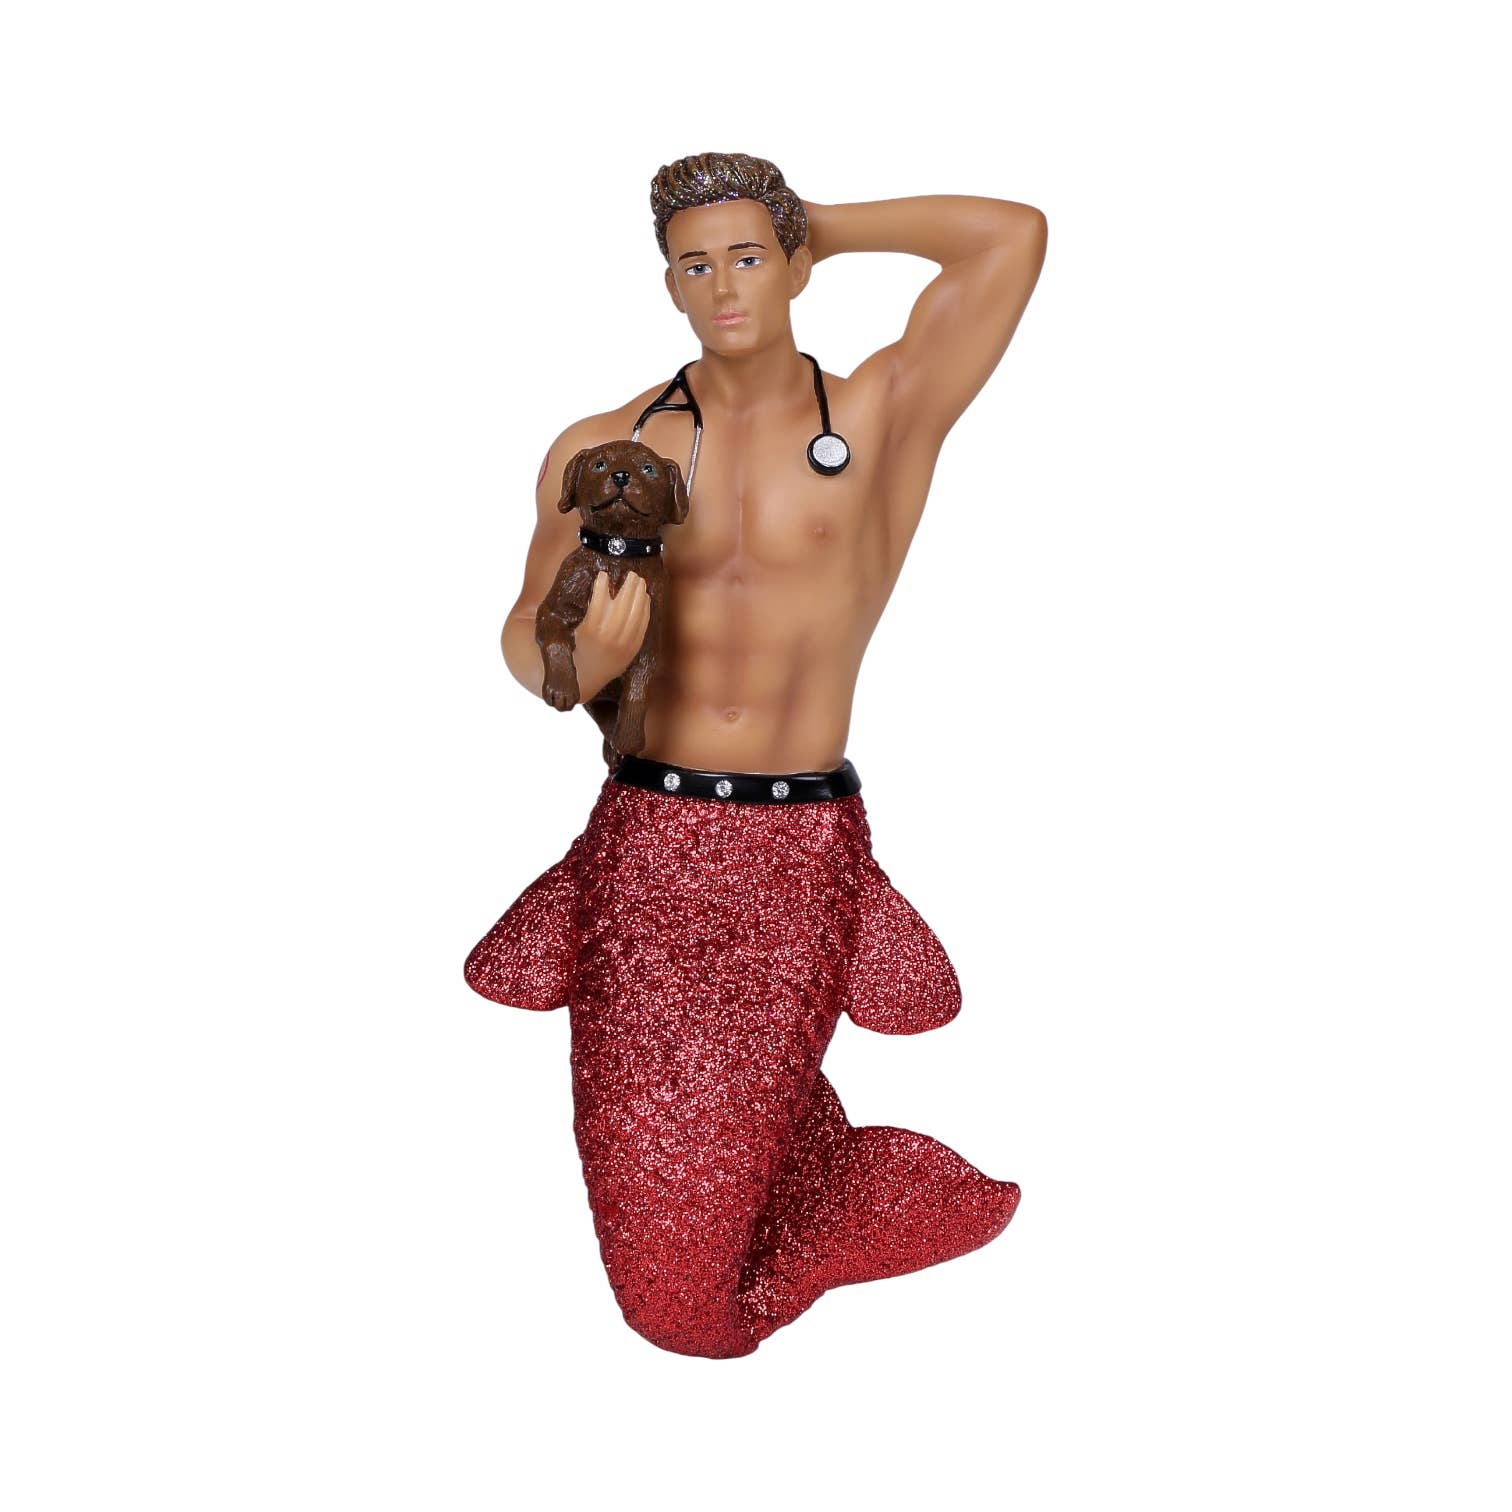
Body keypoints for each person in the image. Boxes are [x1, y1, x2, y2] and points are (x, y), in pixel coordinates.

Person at [465, 151, 1047, 1358]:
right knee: (667, 1298)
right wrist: (571, 662)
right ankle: (818, 1175)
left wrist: (815, 220)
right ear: (666, 285)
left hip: (801, 848)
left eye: (746, 257)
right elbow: (524, 629)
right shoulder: (607, 440)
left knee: (699, 1287)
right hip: (643, 844)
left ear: (791, 268)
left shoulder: (880, 417)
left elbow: (1009, 236)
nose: (723, 286)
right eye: (694, 264)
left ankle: (823, 1179)